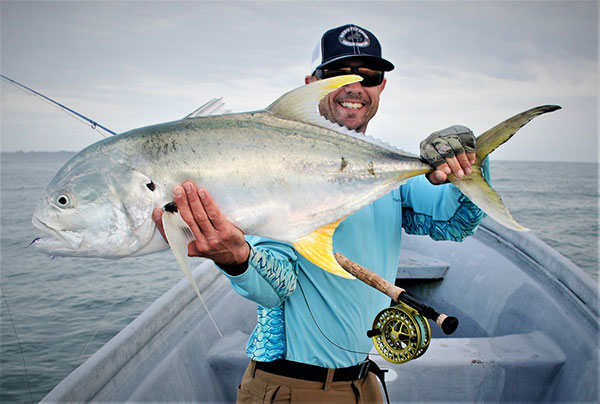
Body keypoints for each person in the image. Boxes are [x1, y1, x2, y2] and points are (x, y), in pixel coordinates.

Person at [153, 24, 485, 404]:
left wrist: (469, 159)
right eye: (338, 75)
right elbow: (275, 288)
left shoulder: (388, 175)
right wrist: (237, 259)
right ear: (312, 82)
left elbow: (456, 222)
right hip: (293, 388)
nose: (355, 86)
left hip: (365, 384)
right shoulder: (272, 165)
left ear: (381, 87)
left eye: (369, 75)